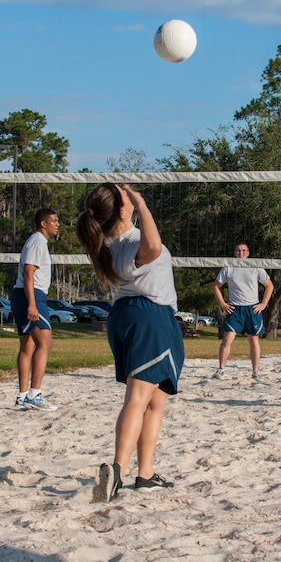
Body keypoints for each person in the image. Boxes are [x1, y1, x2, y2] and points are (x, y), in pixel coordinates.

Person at [76, 183, 184, 502]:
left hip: (124, 316)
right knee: (138, 397)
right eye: (125, 197)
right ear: (123, 210)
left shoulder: (106, 244)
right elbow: (153, 247)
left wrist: (129, 204)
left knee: (156, 400)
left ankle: (145, 474)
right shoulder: (134, 240)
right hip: (150, 316)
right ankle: (118, 472)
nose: (131, 197)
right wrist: (143, 205)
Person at [11, 208, 60, 410]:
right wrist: (32, 303)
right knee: (45, 343)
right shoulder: (37, 241)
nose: (57, 224)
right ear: (43, 223)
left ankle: (22, 396)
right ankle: (34, 394)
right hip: (30, 294)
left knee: (28, 346)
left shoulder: (39, 242)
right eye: (54, 221)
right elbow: (28, 273)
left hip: (24, 293)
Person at [212, 242, 274, 380]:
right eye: (238, 250)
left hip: (252, 309)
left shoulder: (255, 267)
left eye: (243, 250)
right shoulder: (228, 268)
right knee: (227, 339)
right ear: (235, 253)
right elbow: (216, 286)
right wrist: (222, 303)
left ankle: (255, 372)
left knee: (253, 340)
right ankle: (221, 369)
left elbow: (269, 286)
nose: (241, 253)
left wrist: (263, 304)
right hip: (235, 309)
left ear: (248, 253)